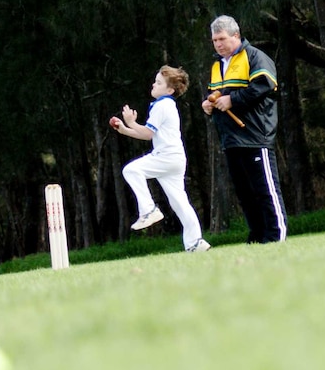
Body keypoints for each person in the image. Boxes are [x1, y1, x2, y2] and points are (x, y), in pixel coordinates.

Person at [201, 15, 287, 243]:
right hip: (231, 138)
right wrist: (208, 104)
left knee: (265, 189)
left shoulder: (255, 57)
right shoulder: (217, 66)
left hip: (255, 135)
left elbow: (265, 85)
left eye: (221, 38)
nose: (218, 44)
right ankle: (257, 235)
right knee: (245, 192)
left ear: (236, 35)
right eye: (214, 40)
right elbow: (217, 93)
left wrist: (233, 100)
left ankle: (276, 235)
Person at [110, 65, 211, 252]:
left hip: (166, 157)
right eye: (155, 81)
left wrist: (131, 122)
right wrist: (125, 129)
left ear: (170, 90)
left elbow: (148, 134)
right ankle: (195, 242)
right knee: (180, 202)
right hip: (175, 158)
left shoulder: (161, 105)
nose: (153, 84)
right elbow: (150, 135)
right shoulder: (167, 105)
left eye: (158, 83)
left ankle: (148, 209)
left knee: (131, 170)